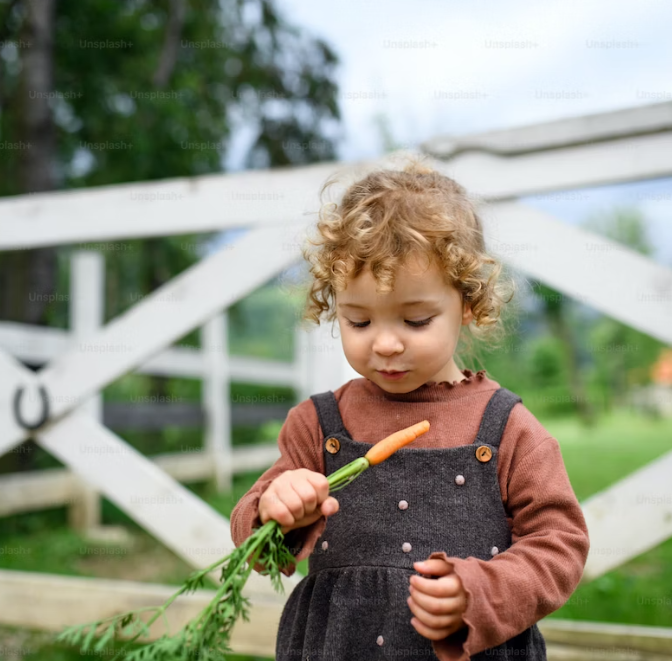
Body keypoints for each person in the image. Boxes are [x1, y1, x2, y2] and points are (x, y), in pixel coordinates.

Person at [229, 156, 590, 661]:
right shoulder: (317, 424)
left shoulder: (507, 428)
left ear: (467, 304)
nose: (386, 344)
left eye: (416, 320)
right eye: (358, 321)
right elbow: (251, 536)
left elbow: (560, 543)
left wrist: (482, 591)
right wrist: (276, 506)